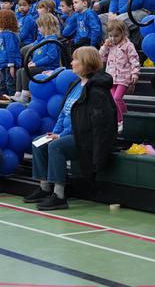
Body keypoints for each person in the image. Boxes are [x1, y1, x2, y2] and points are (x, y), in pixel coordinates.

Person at [23, 47, 117, 211]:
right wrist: (56, 132)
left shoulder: (96, 90)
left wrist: (61, 136)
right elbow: (64, 113)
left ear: (86, 63)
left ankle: (59, 195)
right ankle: (45, 187)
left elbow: (89, 123)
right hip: (66, 134)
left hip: (83, 138)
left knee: (55, 146)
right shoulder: (75, 85)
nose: (72, 63)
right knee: (39, 142)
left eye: (76, 60)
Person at [99, 19, 139, 127]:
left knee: (117, 98)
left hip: (124, 77)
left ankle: (125, 119)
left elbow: (134, 59)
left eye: (116, 36)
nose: (113, 38)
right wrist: (105, 46)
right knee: (112, 100)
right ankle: (118, 120)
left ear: (123, 33)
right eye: (111, 35)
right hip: (111, 78)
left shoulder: (128, 45)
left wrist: (135, 73)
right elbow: (100, 58)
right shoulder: (110, 45)